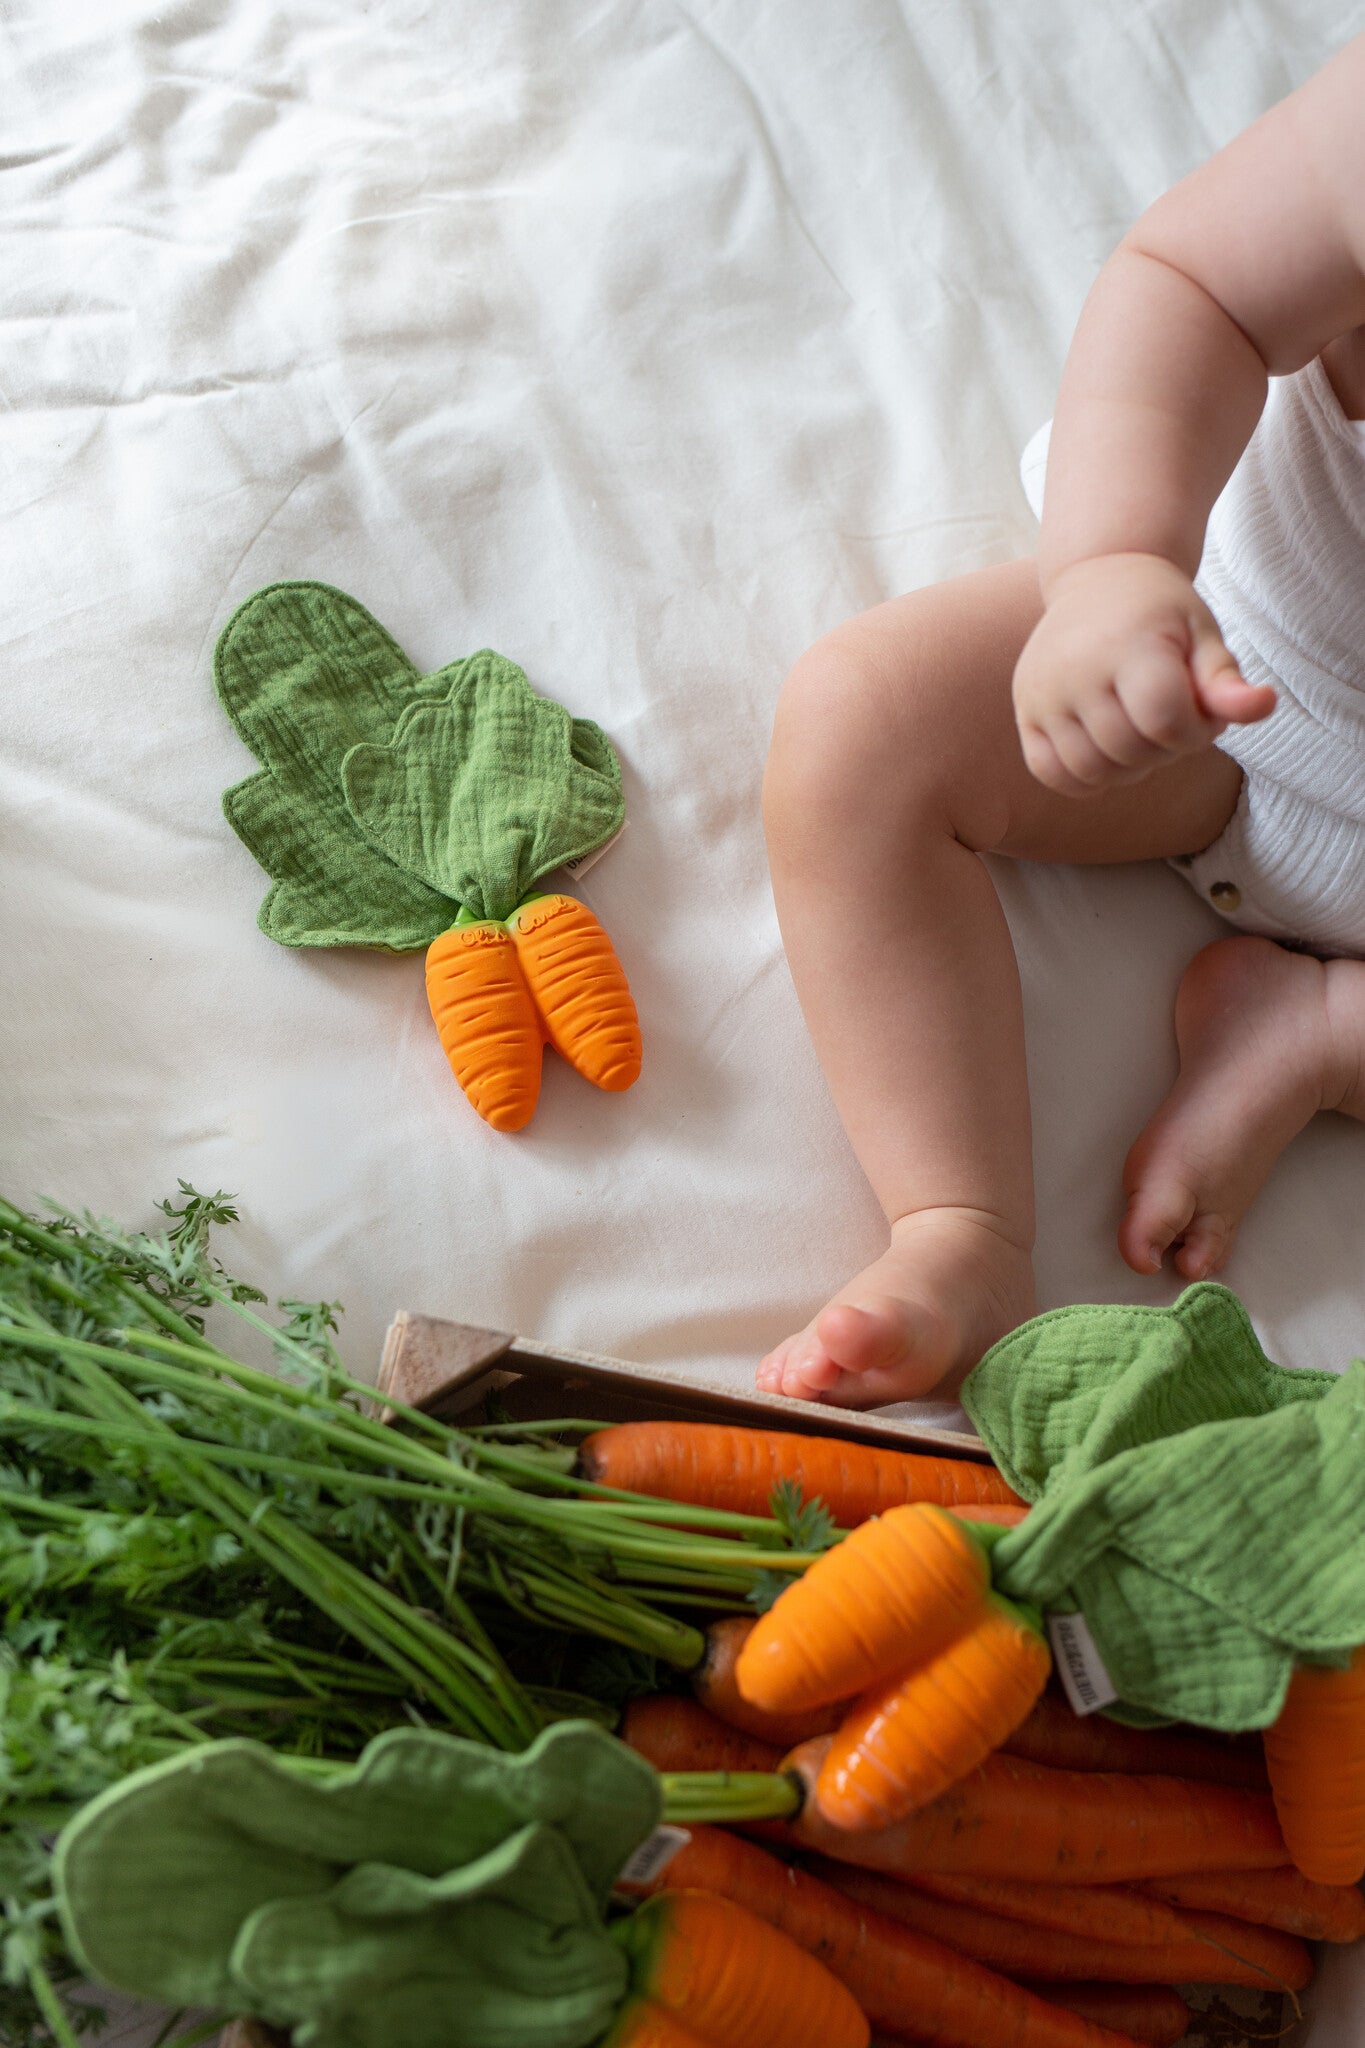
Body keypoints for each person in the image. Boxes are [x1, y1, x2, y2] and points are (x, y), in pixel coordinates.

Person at [756, 37, 1365, 1409]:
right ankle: (957, 1231)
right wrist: (1110, 568)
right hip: (1221, 656)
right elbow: (1190, 286)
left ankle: (1319, 1034)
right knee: (863, 725)